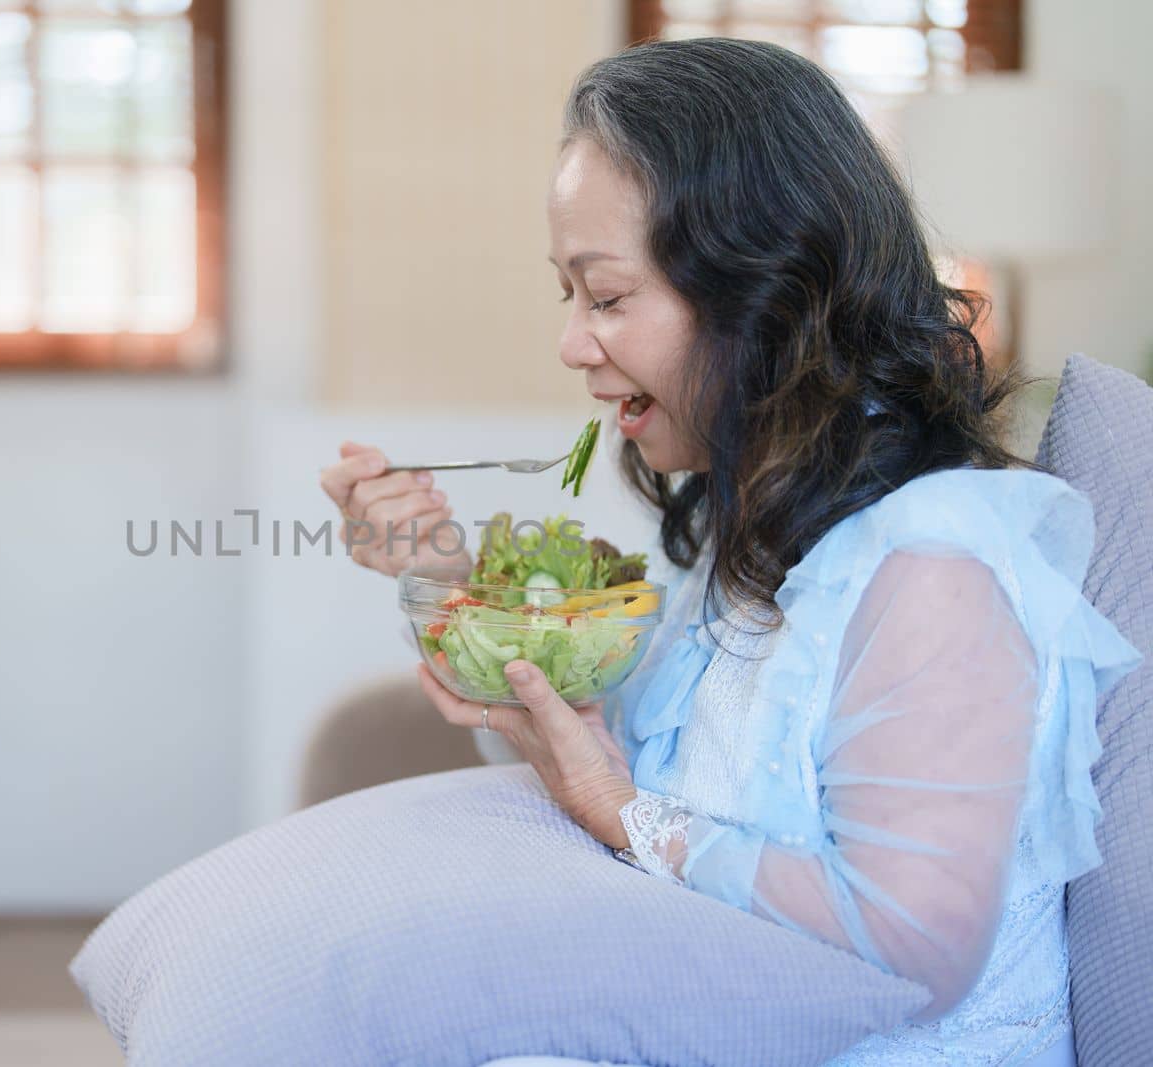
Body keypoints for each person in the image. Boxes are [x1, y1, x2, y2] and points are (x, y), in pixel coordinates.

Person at [317, 39, 1140, 1067]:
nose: (573, 341)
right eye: (565, 295)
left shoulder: (934, 570)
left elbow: (915, 948)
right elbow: (591, 751)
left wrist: (623, 815)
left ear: (764, 292)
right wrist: (438, 570)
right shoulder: (740, 535)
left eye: (606, 296)